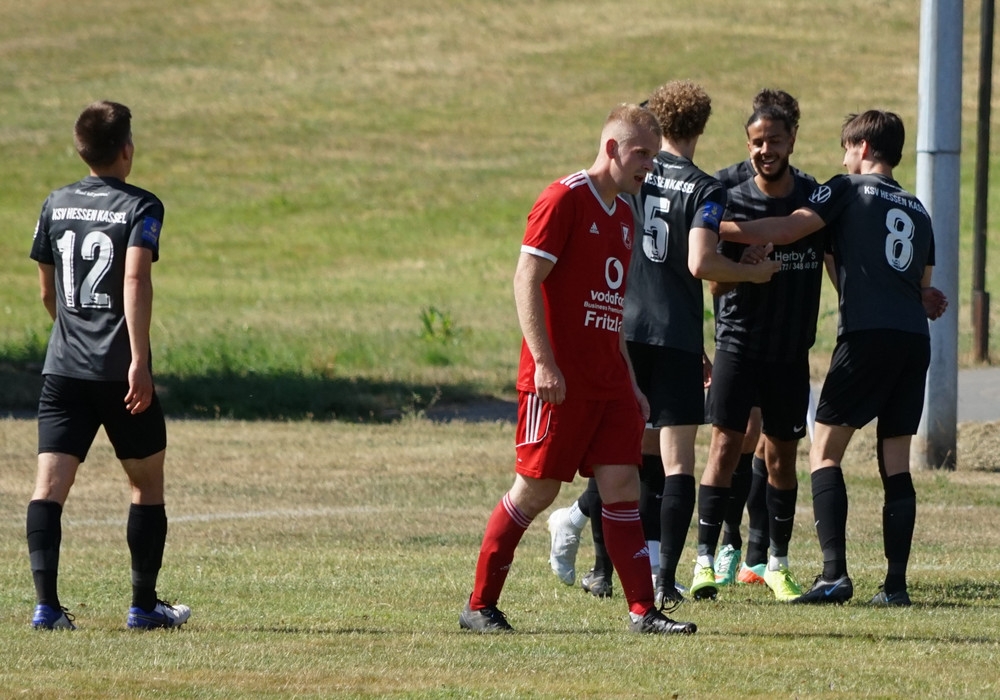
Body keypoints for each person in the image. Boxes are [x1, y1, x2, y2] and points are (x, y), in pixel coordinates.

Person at [459, 103, 696, 635]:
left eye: (653, 156)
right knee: (536, 491)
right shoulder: (563, 198)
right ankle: (479, 605)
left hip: (608, 382)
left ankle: (643, 611)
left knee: (622, 485)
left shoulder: (627, 215)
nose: (650, 165)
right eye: (641, 154)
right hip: (558, 382)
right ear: (612, 148)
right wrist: (544, 364)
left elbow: (610, 309)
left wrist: (630, 382)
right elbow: (526, 279)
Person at [548, 81, 780, 610]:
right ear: (703, 126)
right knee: (675, 466)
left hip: (620, 325)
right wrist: (754, 273)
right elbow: (700, 262)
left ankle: (602, 565)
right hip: (672, 332)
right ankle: (662, 577)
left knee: (625, 455)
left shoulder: (634, 176)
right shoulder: (705, 188)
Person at [721, 109, 948, 606]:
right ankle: (895, 587)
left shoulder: (846, 188)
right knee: (896, 462)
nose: (843, 160)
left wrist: (721, 227)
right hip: (913, 341)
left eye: (847, 150)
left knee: (824, 451)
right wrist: (920, 298)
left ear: (862, 148)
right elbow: (922, 286)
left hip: (866, 336)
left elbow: (788, 230)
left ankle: (834, 576)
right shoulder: (918, 209)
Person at [26, 101, 190, 630]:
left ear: (82, 149)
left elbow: (48, 291)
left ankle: (46, 608)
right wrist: (138, 360)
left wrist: (72, 334)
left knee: (49, 488)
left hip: (63, 371)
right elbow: (135, 279)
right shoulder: (142, 206)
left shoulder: (55, 203)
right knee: (146, 484)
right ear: (126, 149)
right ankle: (143, 607)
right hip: (120, 374)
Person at [692, 92, 830, 602]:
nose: (764, 150)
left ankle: (777, 564)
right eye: (756, 142)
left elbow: (834, 259)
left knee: (782, 459)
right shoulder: (727, 195)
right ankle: (704, 562)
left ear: (792, 140)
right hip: (738, 343)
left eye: (774, 140)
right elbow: (714, 283)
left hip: (790, 351)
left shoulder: (815, 196)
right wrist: (743, 269)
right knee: (724, 448)